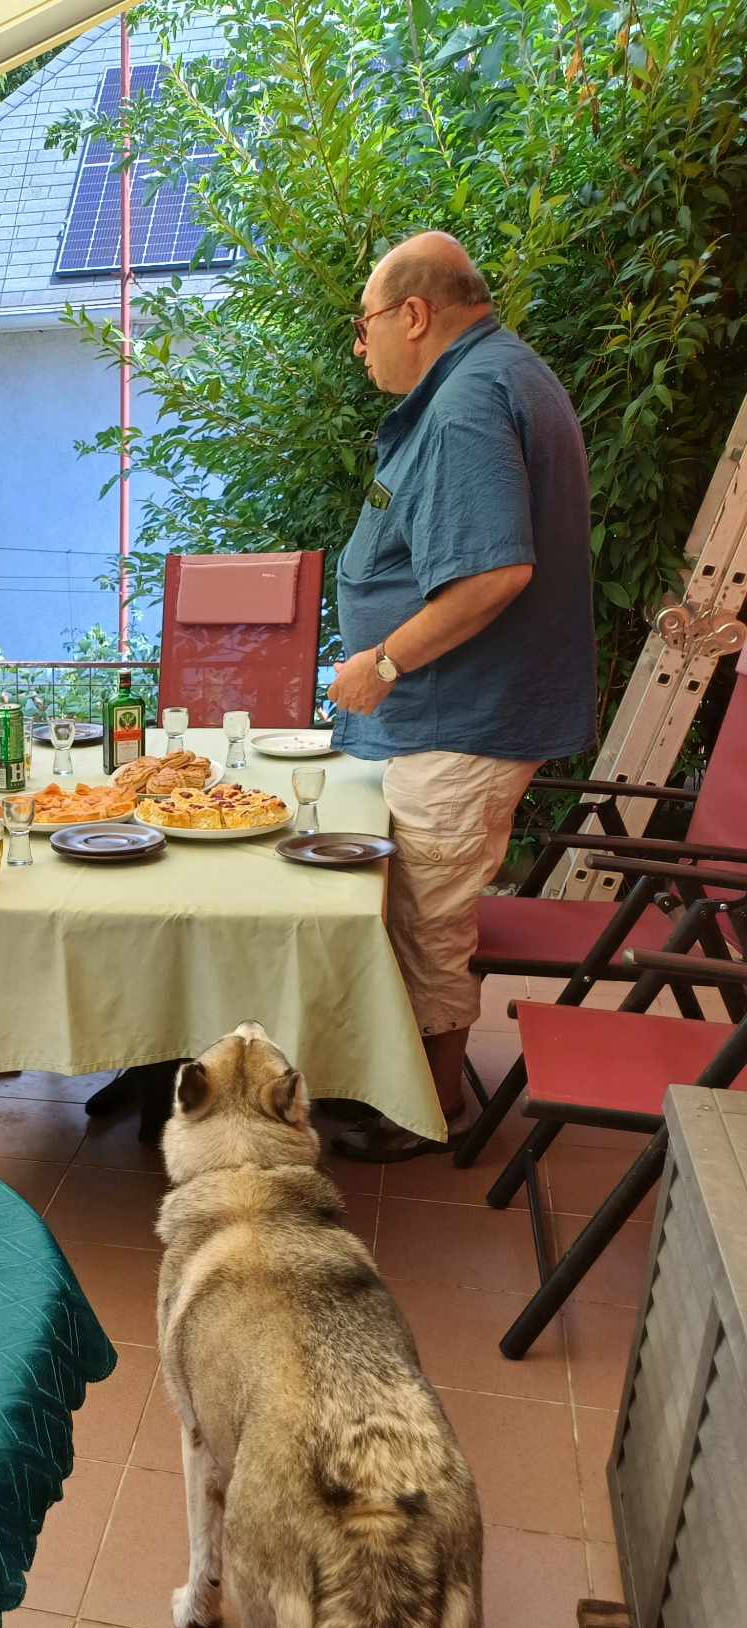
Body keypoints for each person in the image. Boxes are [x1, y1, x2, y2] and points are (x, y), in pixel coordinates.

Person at [327, 231, 595, 1163]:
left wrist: (382, 663)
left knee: (427, 918)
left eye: (363, 323)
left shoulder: (469, 401)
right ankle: (402, 1079)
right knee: (417, 906)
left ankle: (428, 1109)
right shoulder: (498, 375)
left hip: (462, 716)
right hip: (461, 712)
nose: (359, 345)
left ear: (413, 314)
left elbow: (494, 575)